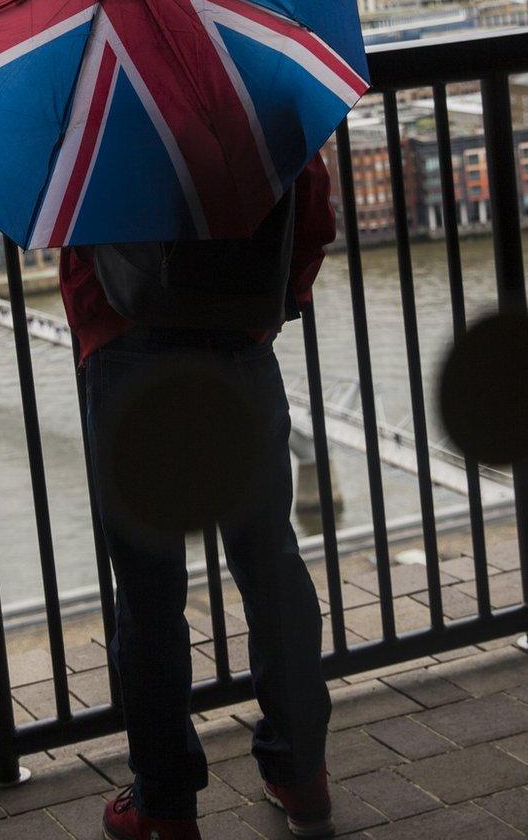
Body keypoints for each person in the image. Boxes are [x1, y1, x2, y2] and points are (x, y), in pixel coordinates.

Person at [61, 154, 338, 840]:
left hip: (131, 362)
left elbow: (67, 242)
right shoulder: (258, 90)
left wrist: (96, 333)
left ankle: (164, 807)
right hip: (239, 356)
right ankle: (301, 775)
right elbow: (313, 218)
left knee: (150, 592)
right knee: (270, 565)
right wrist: (269, 315)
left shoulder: (95, 111)